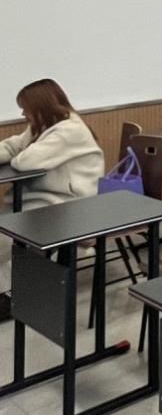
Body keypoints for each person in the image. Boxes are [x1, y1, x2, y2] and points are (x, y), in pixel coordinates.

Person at [0, 79, 105, 322]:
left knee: (7, 235)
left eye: (25, 108)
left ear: (41, 106)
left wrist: (20, 152)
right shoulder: (45, 125)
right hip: (47, 200)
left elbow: (25, 161)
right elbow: (13, 146)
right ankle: (12, 291)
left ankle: (13, 295)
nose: (23, 114)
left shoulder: (69, 130)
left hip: (72, 207)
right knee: (8, 228)